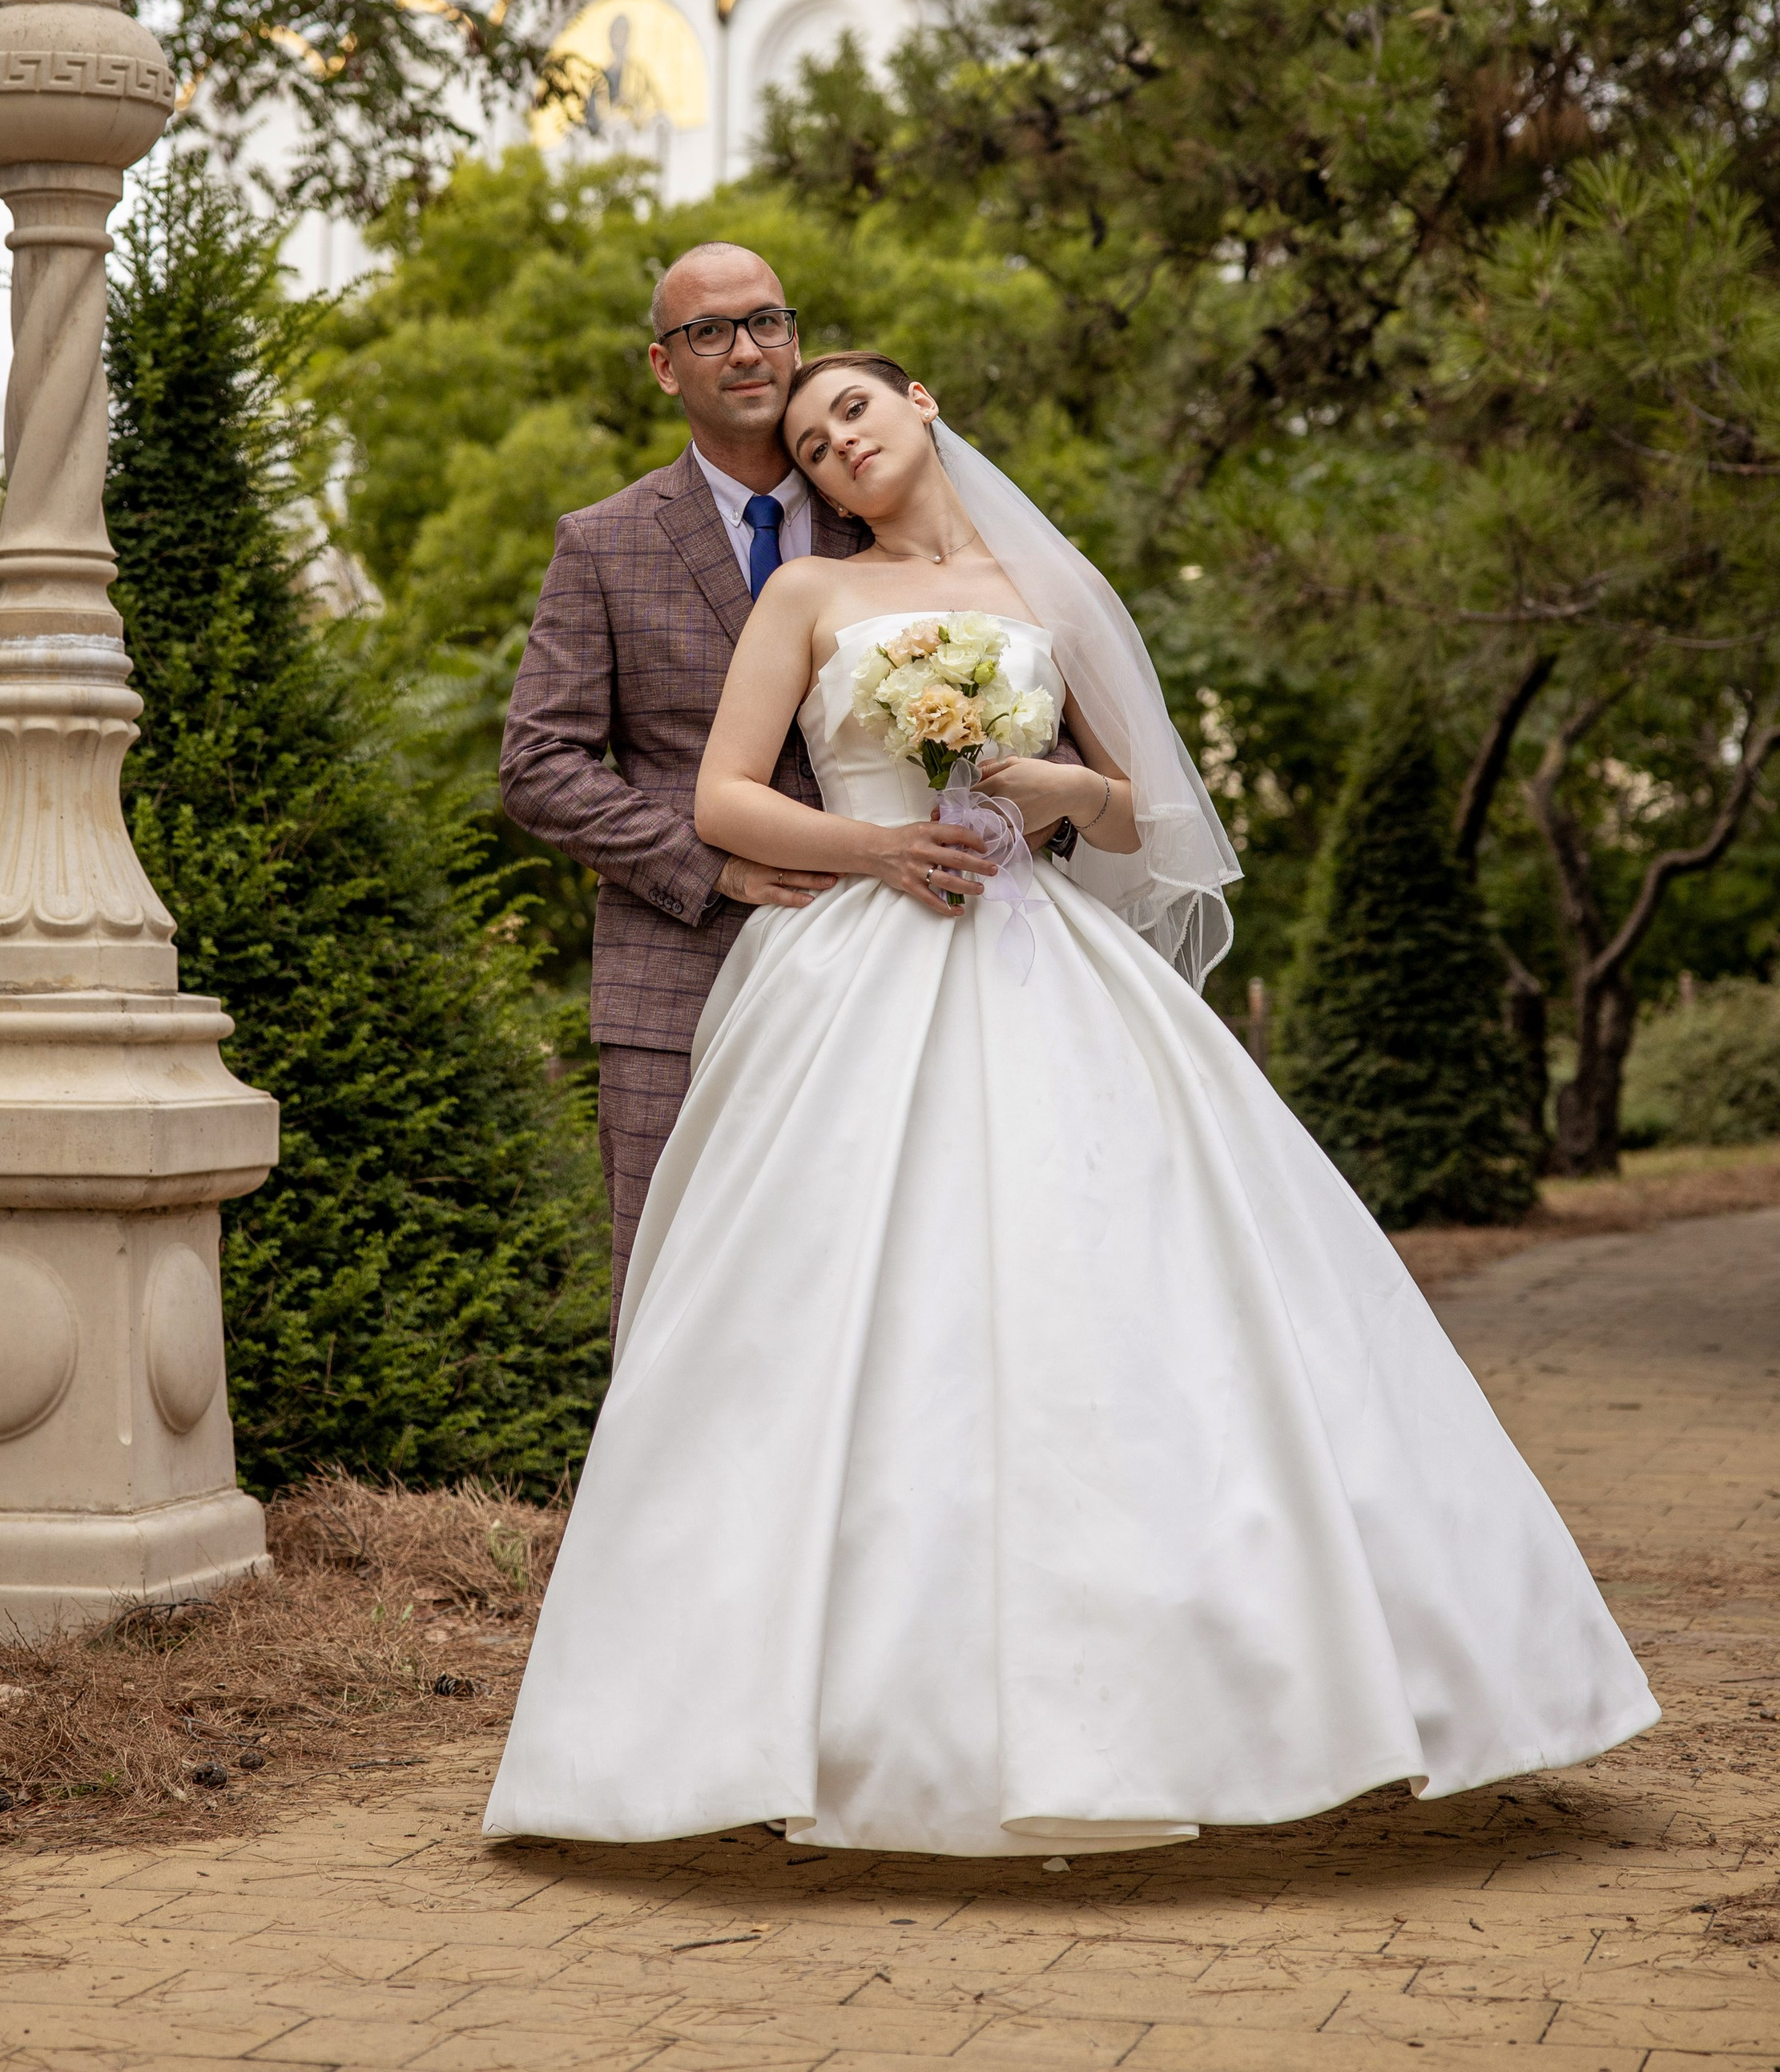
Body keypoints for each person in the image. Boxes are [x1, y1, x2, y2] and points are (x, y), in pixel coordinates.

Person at [485, 352, 1657, 1857]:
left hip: (1046, 956)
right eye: (807, 442)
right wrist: (881, 853)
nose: (834, 445)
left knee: (1118, 1295)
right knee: (827, 1310)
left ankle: (1212, 1694)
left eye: (853, 411)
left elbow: (1137, 809)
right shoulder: (806, 603)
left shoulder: (1049, 586)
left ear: (919, 404)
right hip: (855, 961)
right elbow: (722, 801)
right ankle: (757, 1725)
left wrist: (1049, 794)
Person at [501, 248, 899, 1316]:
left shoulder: (885, 518)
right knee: (679, 1291)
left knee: (873, 1280)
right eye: (710, 333)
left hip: (891, 958)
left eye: (767, 322)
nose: (747, 350)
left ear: (797, 337)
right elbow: (538, 765)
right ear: (663, 367)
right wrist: (707, 864)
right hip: (677, 979)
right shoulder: (605, 543)